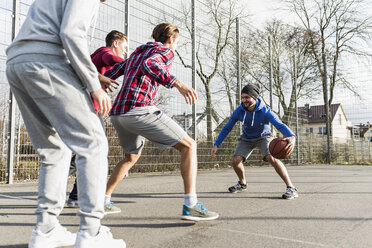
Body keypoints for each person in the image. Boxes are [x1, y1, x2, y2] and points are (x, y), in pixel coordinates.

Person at [5, 0, 125, 247]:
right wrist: (93, 85)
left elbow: (52, 32)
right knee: (93, 144)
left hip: (19, 63)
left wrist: (93, 76)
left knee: (54, 149)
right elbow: (71, 32)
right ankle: (91, 232)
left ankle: (46, 230)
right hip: (45, 62)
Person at [103, 22, 219, 220]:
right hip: (138, 110)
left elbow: (112, 73)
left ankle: (103, 200)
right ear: (171, 39)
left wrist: (98, 83)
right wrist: (178, 83)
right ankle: (191, 204)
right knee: (190, 145)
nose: (175, 46)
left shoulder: (138, 52)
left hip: (118, 115)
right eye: (177, 42)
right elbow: (151, 65)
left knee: (131, 157)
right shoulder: (164, 51)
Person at [67, 30, 128, 209]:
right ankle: (67, 186)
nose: (125, 51)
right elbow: (114, 60)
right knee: (95, 150)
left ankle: (76, 195)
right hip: (89, 107)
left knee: (89, 149)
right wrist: (134, 63)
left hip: (86, 106)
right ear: (115, 43)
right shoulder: (104, 53)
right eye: (124, 47)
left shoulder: (94, 57)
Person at [211, 83, 298, 200]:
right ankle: (242, 184)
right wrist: (217, 144)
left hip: (264, 136)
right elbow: (227, 127)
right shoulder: (239, 111)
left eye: (247, 97)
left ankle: (291, 188)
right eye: (242, 98)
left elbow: (280, 125)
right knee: (235, 160)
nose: (244, 100)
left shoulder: (265, 111)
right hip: (247, 138)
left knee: (272, 158)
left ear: (254, 97)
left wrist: (292, 136)